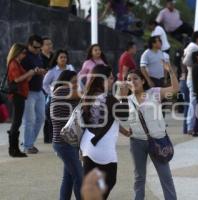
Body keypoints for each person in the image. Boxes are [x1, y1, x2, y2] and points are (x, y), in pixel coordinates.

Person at [124, 65, 178, 200]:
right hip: (136, 142)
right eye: (129, 79)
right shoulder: (126, 100)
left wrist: (170, 71)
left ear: (143, 81)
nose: (132, 81)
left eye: (135, 78)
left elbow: (175, 89)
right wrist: (124, 131)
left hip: (157, 140)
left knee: (165, 177)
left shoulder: (154, 92)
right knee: (139, 177)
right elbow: (112, 117)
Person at [80, 65, 130, 199]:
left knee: (90, 186)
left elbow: (106, 120)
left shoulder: (88, 96)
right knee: (109, 181)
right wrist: (124, 96)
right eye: (110, 78)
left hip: (87, 145)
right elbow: (124, 115)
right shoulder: (107, 99)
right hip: (102, 147)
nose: (113, 80)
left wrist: (123, 131)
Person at [50, 70, 83, 200]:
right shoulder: (61, 90)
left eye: (77, 81)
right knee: (79, 177)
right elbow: (84, 95)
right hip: (64, 143)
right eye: (73, 81)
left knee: (69, 177)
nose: (76, 84)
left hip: (67, 142)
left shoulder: (67, 93)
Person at [6, 44, 37, 157]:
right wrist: (29, 73)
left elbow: (24, 79)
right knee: (16, 122)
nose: (24, 55)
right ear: (17, 52)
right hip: (17, 94)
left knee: (17, 121)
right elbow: (17, 79)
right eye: (23, 52)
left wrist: (31, 73)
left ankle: (14, 149)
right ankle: (13, 149)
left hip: (21, 94)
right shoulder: (13, 63)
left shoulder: (17, 63)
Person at [21, 35, 47, 154]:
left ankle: (28, 142)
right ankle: (27, 145)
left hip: (39, 90)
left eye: (39, 48)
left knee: (41, 117)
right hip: (28, 91)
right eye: (35, 47)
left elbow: (40, 68)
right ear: (29, 44)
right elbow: (20, 74)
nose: (37, 50)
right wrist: (33, 72)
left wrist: (40, 71)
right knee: (29, 120)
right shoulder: (23, 55)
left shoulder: (38, 55)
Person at [182, 31, 198, 135]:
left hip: (191, 77)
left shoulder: (190, 46)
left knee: (192, 103)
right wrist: (195, 66)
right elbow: (185, 61)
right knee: (193, 103)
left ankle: (190, 127)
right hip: (193, 78)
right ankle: (190, 127)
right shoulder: (194, 47)